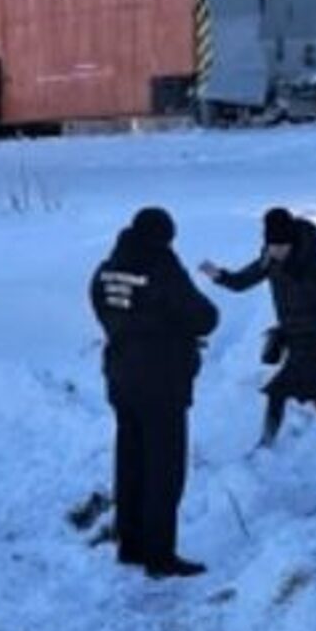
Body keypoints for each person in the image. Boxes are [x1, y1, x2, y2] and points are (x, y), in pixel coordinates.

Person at [90, 206, 219, 578]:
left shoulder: (107, 268)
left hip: (121, 376)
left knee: (130, 461)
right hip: (162, 381)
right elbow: (204, 316)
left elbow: (101, 305)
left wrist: (127, 330)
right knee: (164, 468)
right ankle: (160, 554)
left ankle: (130, 545)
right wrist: (169, 330)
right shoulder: (162, 268)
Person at [199, 207, 316, 445]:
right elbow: (242, 281)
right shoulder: (270, 260)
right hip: (297, 338)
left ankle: (266, 444)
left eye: (280, 246)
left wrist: (293, 326)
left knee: (278, 390)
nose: (275, 251)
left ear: (292, 242)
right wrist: (219, 276)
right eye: (271, 246)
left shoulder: (314, 264)